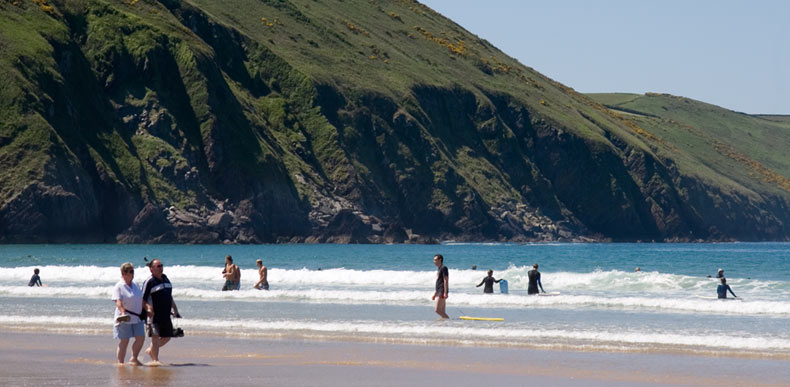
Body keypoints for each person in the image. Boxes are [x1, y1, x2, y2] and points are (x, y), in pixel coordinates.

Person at [142, 258, 181, 364]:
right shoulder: (149, 281)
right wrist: (148, 308)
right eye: (158, 266)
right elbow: (142, 299)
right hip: (153, 316)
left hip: (165, 314)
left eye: (161, 265)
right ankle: (155, 360)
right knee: (155, 337)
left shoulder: (166, 279)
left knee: (167, 337)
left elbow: (169, 296)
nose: (161, 268)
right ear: (151, 269)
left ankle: (151, 351)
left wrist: (175, 309)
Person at [112, 262, 145, 365]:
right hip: (125, 318)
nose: (132, 273)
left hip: (137, 317)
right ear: (124, 273)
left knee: (140, 338)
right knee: (124, 341)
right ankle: (120, 362)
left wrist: (147, 308)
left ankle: (134, 358)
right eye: (130, 271)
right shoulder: (119, 286)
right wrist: (123, 313)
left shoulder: (135, 284)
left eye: (133, 271)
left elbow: (140, 298)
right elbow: (118, 301)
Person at [432, 254, 449, 319]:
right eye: (434, 260)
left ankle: (449, 321)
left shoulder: (444, 268)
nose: (434, 261)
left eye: (435, 260)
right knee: (442, 311)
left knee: (438, 310)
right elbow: (438, 282)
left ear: (440, 260)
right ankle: (445, 324)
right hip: (439, 290)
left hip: (442, 290)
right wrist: (435, 293)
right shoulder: (439, 268)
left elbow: (445, 280)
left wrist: (445, 292)